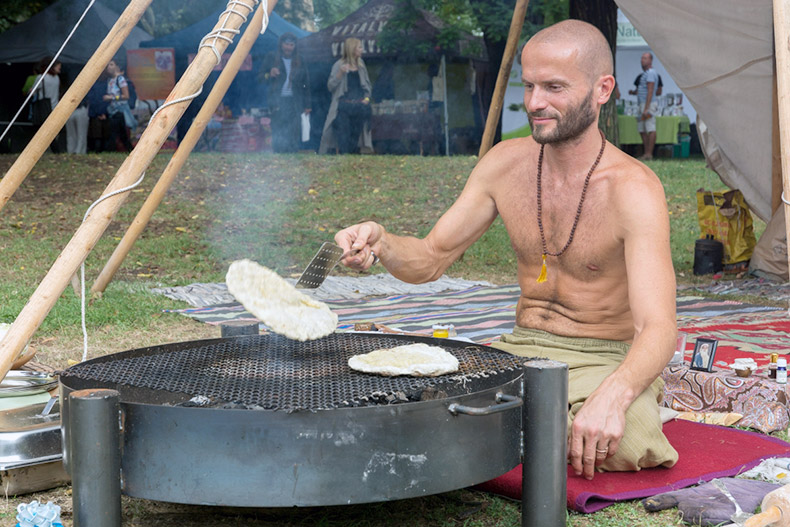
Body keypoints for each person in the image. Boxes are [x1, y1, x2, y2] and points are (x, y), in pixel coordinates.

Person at [334, 20, 679, 481]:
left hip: (603, 357)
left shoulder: (635, 189)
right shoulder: (503, 163)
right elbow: (431, 258)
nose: (535, 103)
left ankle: (528, 426)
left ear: (602, 89)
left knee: (629, 443)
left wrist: (614, 396)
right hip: (517, 351)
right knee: (415, 404)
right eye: (530, 85)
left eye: (554, 87)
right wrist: (382, 243)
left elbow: (658, 327)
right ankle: (532, 426)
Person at [319, 37, 373, 154]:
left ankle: (352, 161)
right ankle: (343, 158)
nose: (362, 50)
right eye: (359, 47)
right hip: (343, 107)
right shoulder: (338, 65)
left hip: (359, 107)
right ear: (352, 49)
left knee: (355, 136)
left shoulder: (361, 65)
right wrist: (340, 73)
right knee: (343, 136)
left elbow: (367, 87)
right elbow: (330, 86)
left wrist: (367, 99)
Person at [260, 32, 311, 153]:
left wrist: (308, 105)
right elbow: (260, 77)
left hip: (294, 102)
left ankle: (292, 156)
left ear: (295, 46)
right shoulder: (272, 57)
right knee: (278, 129)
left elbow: (306, 84)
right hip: (278, 101)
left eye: (291, 45)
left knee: (293, 131)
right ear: (281, 45)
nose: (288, 48)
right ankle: (278, 156)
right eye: (286, 44)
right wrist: (269, 74)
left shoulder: (300, 60)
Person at [30, 57, 66, 153]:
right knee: (52, 132)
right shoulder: (57, 78)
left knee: (44, 132)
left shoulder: (41, 77)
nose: (59, 69)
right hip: (55, 107)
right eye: (58, 67)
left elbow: (32, 92)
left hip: (45, 108)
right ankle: (55, 150)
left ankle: (53, 150)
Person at [629, 52, 658, 160]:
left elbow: (650, 91)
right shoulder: (645, 74)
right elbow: (644, 90)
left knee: (650, 127)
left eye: (645, 58)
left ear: (650, 61)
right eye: (642, 58)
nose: (642, 60)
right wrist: (633, 93)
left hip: (648, 104)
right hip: (643, 104)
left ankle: (649, 153)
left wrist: (646, 108)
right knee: (641, 128)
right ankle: (646, 153)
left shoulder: (650, 73)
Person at [103, 59, 135, 152]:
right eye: (108, 65)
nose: (108, 67)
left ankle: (110, 151)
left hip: (120, 110)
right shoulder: (109, 80)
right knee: (122, 134)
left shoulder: (120, 79)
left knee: (114, 132)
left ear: (117, 67)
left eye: (111, 65)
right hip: (112, 110)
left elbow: (126, 96)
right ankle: (130, 150)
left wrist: (112, 98)